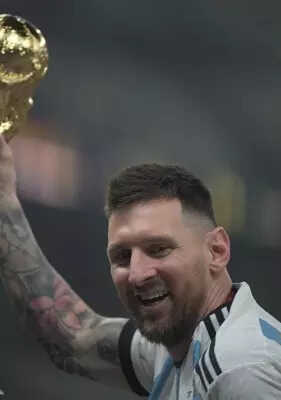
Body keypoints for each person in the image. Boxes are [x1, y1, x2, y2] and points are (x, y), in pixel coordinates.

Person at [0, 135, 280, 400]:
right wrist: (4, 203)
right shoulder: (183, 345)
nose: (137, 274)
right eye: (122, 256)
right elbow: (72, 338)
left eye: (158, 249)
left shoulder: (240, 369)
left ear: (216, 251)